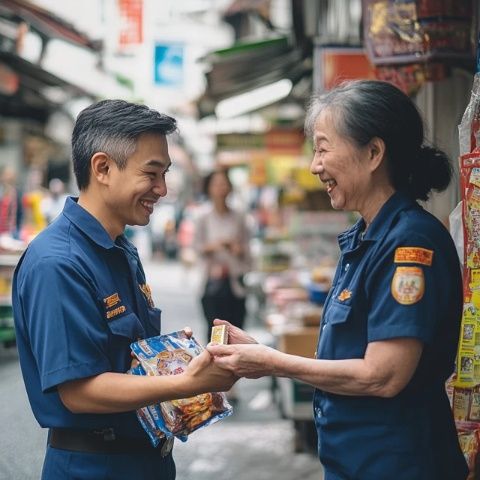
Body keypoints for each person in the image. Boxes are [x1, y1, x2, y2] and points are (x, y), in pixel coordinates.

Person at [207, 80, 468, 479]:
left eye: (324, 148)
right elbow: (351, 353)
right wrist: (264, 352)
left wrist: (275, 362)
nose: (315, 166)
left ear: (373, 153)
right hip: (356, 463)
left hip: (396, 466)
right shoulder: (366, 238)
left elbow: (384, 374)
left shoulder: (409, 243)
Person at [12, 99, 236, 480]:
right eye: (151, 173)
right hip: (95, 467)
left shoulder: (120, 249)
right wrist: (185, 382)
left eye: (165, 173)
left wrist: (173, 357)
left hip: (143, 461)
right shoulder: (58, 262)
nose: (162, 189)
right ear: (102, 168)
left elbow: (126, 357)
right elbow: (79, 391)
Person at [194, 169, 251, 340]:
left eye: (224, 183)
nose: (221, 188)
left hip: (235, 283)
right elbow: (196, 247)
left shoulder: (239, 217)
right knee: (214, 333)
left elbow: (247, 249)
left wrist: (237, 248)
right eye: (216, 184)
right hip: (211, 284)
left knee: (236, 332)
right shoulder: (202, 217)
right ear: (209, 188)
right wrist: (216, 246)